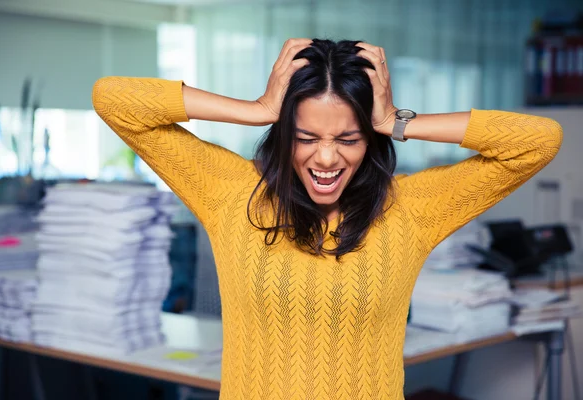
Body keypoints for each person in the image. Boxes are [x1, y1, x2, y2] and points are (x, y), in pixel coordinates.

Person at [92, 38, 563, 399]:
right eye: (306, 135)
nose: (326, 158)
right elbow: (113, 99)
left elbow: (538, 139)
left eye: (349, 138)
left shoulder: (411, 209)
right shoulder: (231, 193)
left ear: (372, 139)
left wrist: (397, 120)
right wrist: (256, 110)